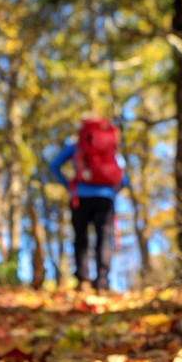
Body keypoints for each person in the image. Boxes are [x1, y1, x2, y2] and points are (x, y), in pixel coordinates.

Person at [50, 118, 129, 292]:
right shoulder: (111, 150)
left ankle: (83, 280)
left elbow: (54, 165)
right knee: (104, 237)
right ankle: (102, 282)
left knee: (81, 238)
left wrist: (70, 185)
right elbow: (124, 178)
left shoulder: (77, 146)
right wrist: (112, 192)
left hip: (80, 196)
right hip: (105, 198)